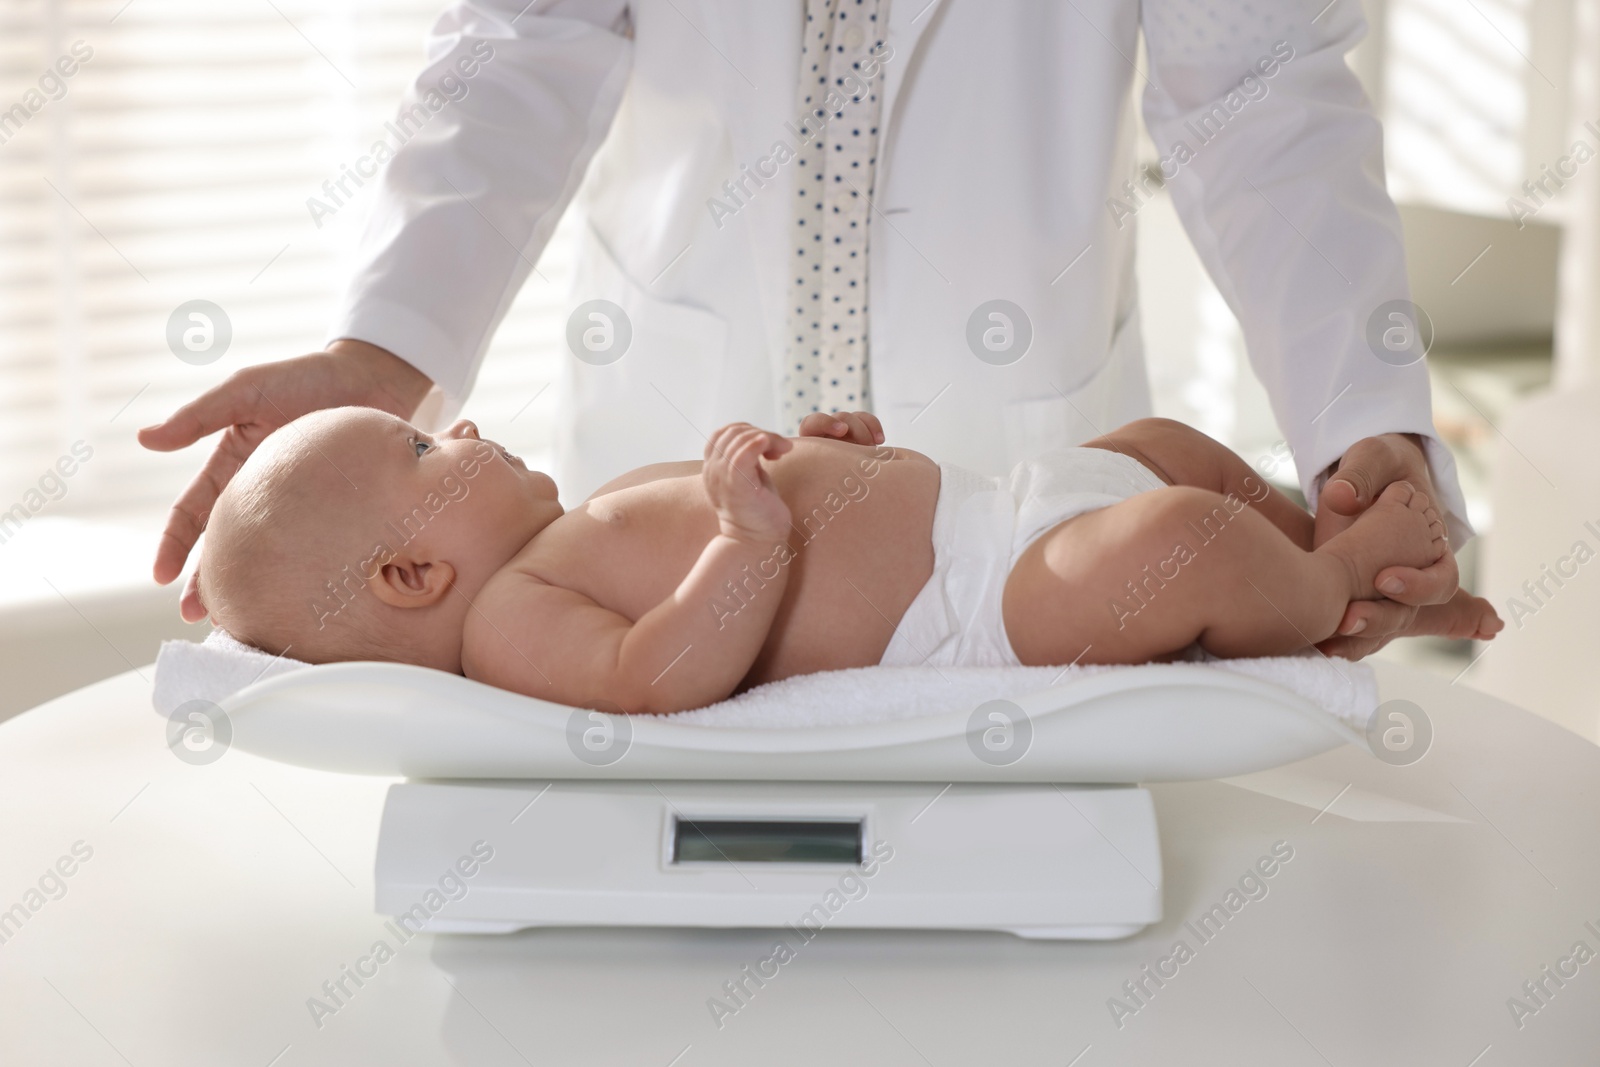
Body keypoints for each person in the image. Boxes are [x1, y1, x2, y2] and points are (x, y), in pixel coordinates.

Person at [141, 0, 1474, 659]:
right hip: (672, 428)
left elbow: (1258, 83)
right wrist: (385, 358)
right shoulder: (546, 598)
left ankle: (1320, 547)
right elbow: (522, 37)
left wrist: (1365, 420)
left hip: (1023, 445)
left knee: (1165, 511)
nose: (461, 443)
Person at [197, 409, 1501, 714]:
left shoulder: (566, 528)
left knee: (1163, 450)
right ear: (412, 579)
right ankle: (1329, 588)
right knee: (1180, 539)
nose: (468, 425)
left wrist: (826, 455)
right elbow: (662, 676)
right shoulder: (512, 625)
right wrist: (749, 543)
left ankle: (1303, 548)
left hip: (1010, 504)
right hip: (984, 610)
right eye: (431, 450)